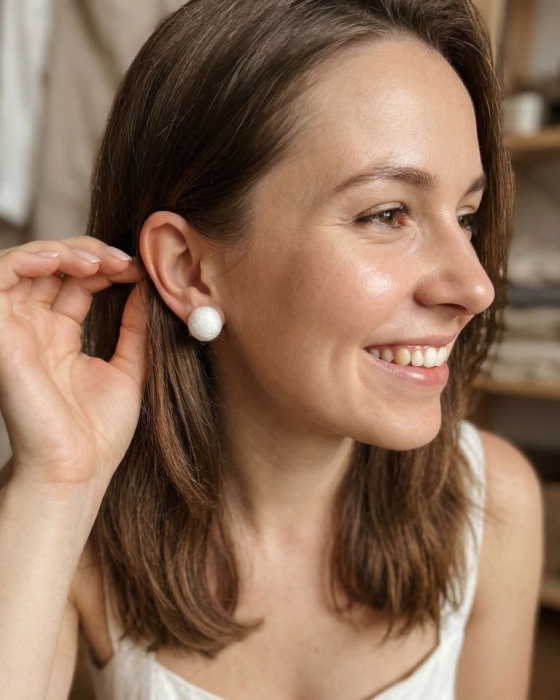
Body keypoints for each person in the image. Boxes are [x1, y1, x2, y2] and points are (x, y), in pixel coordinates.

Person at [0, 1, 544, 699]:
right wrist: (56, 485)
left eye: (466, 216)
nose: (475, 287)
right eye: (387, 215)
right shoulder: (72, 533)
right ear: (190, 269)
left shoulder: (493, 505)